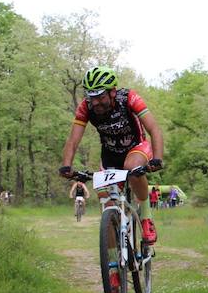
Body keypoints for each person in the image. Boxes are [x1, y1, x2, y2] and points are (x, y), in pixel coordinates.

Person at [59, 66, 164, 256]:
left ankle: (146, 217)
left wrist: (157, 158)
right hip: (110, 156)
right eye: (92, 97)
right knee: (107, 207)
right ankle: (114, 268)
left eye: (100, 97)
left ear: (112, 92)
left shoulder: (129, 98)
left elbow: (154, 129)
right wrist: (67, 165)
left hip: (136, 147)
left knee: (132, 167)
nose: (96, 102)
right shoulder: (86, 107)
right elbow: (73, 139)